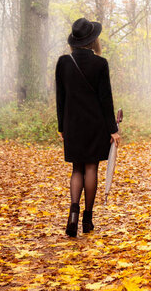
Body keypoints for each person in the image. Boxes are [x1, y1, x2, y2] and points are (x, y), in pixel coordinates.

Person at [55, 18, 121, 236]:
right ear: (93, 40)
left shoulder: (63, 63)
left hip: (72, 124)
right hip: (95, 125)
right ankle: (87, 220)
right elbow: (106, 99)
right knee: (91, 168)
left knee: (77, 169)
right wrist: (113, 129)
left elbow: (60, 97)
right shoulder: (100, 64)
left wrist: (61, 126)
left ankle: (72, 213)